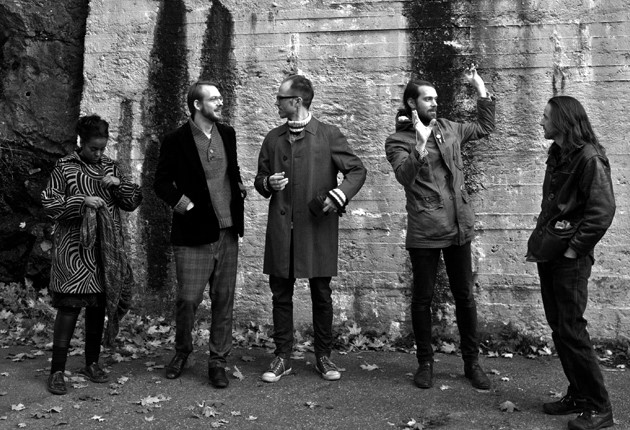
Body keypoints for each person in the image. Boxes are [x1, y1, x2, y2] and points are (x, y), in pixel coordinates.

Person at [384, 66, 495, 390]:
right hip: (425, 229)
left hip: (459, 225)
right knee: (423, 299)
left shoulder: (449, 127)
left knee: (465, 297)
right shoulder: (397, 141)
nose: (434, 103)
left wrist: (480, 88)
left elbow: (485, 126)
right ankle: (425, 363)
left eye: (435, 98)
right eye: (427, 99)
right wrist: (419, 146)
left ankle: (472, 364)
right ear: (411, 103)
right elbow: (404, 177)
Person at [254, 74, 366, 382]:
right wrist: (268, 182)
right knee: (280, 294)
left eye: (281, 98)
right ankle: (282, 357)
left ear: (297, 101)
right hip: (282, 228)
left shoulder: (329, 134)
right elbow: (259, 180)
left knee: (321, 293)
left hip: (317, 227)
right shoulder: (273, 138)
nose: (276, 103)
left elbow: (357, 170)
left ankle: (323, 357)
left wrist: (338, 195)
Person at [526, 96, 615, 430]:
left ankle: (600, 408)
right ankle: (579, 395)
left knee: (572, 330)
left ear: (562, 121)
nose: (541, 121)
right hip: (550, 251)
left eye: (545, 117)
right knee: (560, 328)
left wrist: (574, 250)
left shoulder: (589, 158)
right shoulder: (558, 152)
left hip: (570, 258)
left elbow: (602, 211)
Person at [154, 81, 246, 389]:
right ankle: (182, 351)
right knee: (188, 299)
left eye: (221, 98)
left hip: (227, 231)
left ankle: (218, 361)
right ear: (197, 104)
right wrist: (186, 205)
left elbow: (231, 171)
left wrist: (238, 188)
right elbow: (161, 183)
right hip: (193, 233)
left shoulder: (228, 134)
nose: (221, 103)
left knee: (224, 300)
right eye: (214, 99)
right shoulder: (176, 140)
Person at [41, 114, 142, 395]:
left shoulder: (110, 167)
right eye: (93, 148)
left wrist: (118, 184)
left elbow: (132, 201)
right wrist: (81, 201)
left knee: (97, 307)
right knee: (70, 307)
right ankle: (57, 370)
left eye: (102, 148)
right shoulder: (65, 167)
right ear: (81, 142)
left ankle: (92, 363)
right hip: (73, 250)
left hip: (104, 251)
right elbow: (50, 203)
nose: (98, 153)